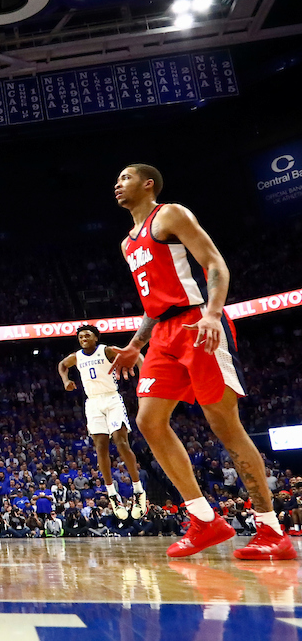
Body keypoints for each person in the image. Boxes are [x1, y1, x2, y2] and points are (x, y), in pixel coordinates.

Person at [109, 164, 295, 560]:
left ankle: (271, 528)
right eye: (116, 180)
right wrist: (136, 343)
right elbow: (154, 303)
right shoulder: (127, 243)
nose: (117, 184)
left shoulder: (170, 214)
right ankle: (204, 520)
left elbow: (213, 263)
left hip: (198, 322)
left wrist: (212, 313)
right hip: (162, 334)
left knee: (223, 424)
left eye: (125, 177)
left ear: (148, 184)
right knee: (148, 421)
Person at [57, 324, 147, 520]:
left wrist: (145, 376)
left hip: (112, 399)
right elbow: (62, 365)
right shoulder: (77, 357)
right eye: (80, 336)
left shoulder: (107, 350)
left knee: (121, 443)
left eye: (87, 335)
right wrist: (65, 380)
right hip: (93, 403)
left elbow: (136, 356)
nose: (83, 339)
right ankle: (112, 494)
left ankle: (138, 489)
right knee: (100, 447)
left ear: (96, 338)